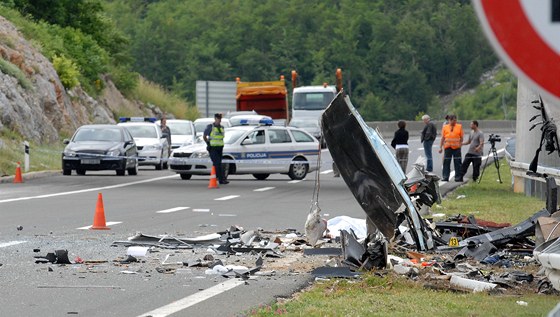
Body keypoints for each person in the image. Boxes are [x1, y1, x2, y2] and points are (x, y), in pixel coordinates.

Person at [203, 113, 228, 184]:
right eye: (218, 119)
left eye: (220, 119)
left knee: (218, 164)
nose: (219, 120)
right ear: (215, 119)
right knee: (217, 163)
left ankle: (216, 178)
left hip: (220, 148)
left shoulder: (222, 128)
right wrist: (208, 143)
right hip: (213, 148)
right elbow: (204, 136)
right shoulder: (210, 127)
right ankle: (221, 179)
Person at [438, 114, 464, 182]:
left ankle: (458, 177)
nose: (454, 122)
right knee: (446, 162)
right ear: (449, 120)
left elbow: (461, 137)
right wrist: (440, 147)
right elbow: (443, 138)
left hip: (456, 148)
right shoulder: (445, 127)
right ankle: (445, 177)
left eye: (455, 120)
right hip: (448, 147)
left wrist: (460, 144)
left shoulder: (459, 126)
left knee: (458, 162)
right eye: (453, 120)